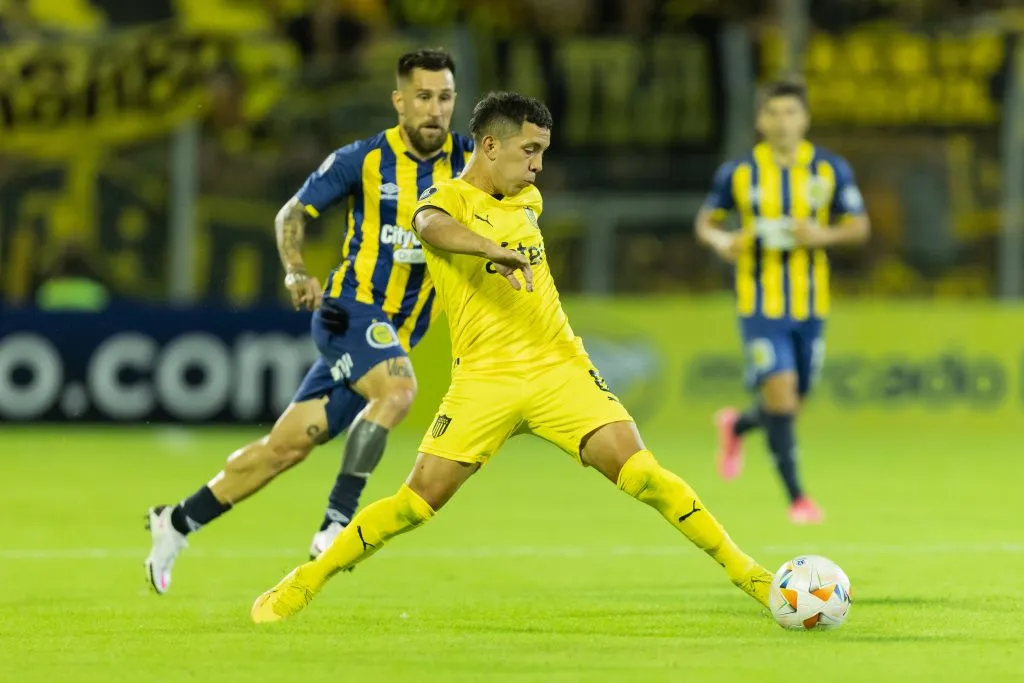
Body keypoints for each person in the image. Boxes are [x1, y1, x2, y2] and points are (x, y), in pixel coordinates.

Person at [250, 91, 773, 623]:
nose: (538, 166)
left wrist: (499, 246)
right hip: (484, 381)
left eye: (543, 152)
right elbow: (430, 226)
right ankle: (305, 580)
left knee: (647, 476)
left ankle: (750, 575)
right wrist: (487, 249)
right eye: (530, 151)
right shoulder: (444, 200)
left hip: (558, 368)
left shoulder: (528, 199)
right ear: (490, 144)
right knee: (415, 503)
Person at [144, 48, 474, 594]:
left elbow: (518, 176)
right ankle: (338, 521)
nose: (434, 110)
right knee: (397, 392)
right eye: (423, 97)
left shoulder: (467, 161)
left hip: (394, 332)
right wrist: (296, 271)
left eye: (444, 98)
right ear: (399, 101)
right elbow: (291, 213)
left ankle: (175, 521)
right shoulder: (362, 160)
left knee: (284, 449)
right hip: (349, 312)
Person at [695, 80, 870, 524]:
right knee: (783, 396)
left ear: (805, 118)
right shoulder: (738, 172)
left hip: (811, 305)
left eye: (790, 113)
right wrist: (721, 242)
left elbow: (859, 227)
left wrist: (822, 235)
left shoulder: (830, 169)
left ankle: (736, 426)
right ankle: (799, 499)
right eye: (773, 113)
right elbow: (706, 222)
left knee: (789, 406)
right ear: (760, 120)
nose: (782, 121)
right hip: (760, 304)